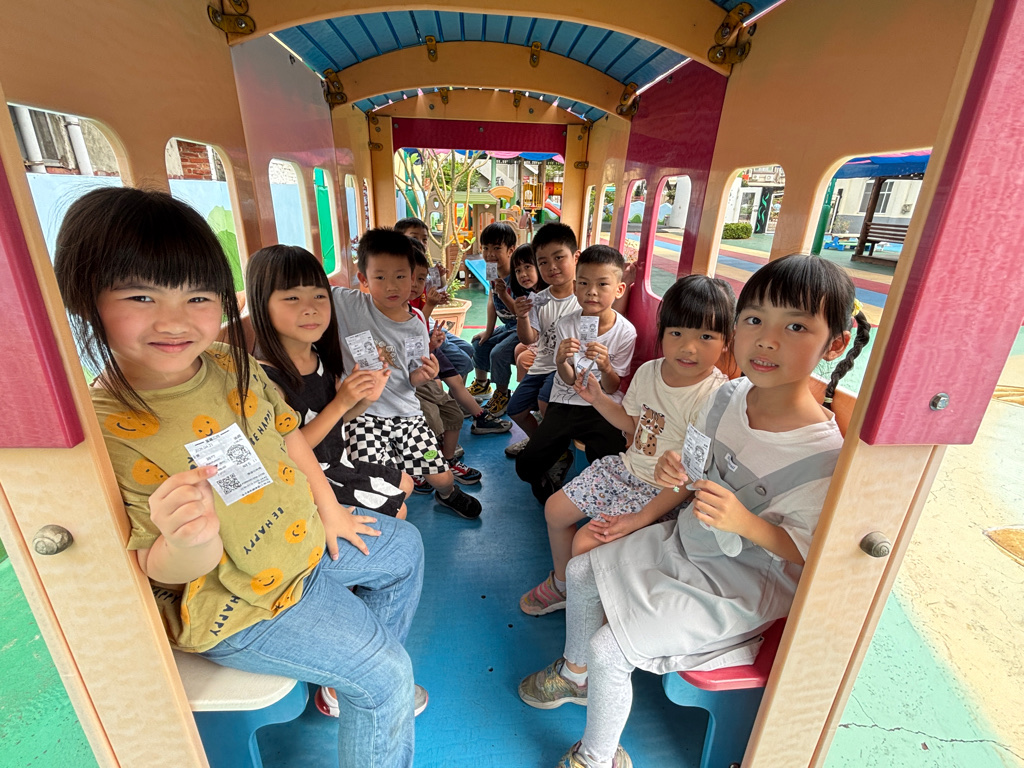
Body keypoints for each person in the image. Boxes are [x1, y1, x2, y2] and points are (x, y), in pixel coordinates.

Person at [54, 187, 426, 768]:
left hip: (301, 546)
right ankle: (367, 679)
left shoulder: (232, 364)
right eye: (141, 295)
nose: (175, 320)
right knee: (388, 675)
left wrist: (330, 511)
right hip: (241, 602)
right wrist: (189, 540)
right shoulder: (109, 430)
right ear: (84, 298)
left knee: (405, 547)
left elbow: (288, 438)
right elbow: (161, 567)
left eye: (198, 296)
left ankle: (344, 680)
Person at [518, 255, 871, 768]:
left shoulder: (822, 456)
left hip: (742, 580)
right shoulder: (729, 397)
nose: (767, 340)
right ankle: (575, 677)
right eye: (755, 320)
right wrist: (664, 482)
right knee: (580, 568)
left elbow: (811, 553)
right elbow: (692, 467)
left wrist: (745, 522)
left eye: (795, 327)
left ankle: (596, 757)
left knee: (609, 649)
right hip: (688, 541)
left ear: (835, 344)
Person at [519, 275, 734, 616]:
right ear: (662, 332)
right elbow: (634, 425)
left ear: (726, 342)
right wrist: (598, 399)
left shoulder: (714, 395)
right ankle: (563, 585)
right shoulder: (649, 372)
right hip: (627, 468)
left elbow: (692, 476)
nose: (688, 347)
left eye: (705, 336)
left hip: (664, 493)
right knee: (555, 510)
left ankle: (605, 613)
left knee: (586, 542)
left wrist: (640, 518)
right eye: (677, 333)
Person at [245, 244, 413, 519]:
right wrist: (341, 403)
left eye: (319, 296)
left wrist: (365, 400)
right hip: (307, 478)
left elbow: (334, 422)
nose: (311, 308)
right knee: (398, 510)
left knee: (406, 483)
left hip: (337, 461)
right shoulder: (267, 380)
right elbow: (286, 452)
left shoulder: (318, 356)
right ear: (261, 305)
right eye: (292, 298)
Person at [333, 228, 482, 520]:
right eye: (380, 277)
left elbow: (412, 375)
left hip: (407, 414)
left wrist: (424, 375)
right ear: (364, 279)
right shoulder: (347, 304)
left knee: (440, 474)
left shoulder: (416, 323)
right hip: (362, 417)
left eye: (400, 276)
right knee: (379, 480)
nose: (392, 285)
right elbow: (308, 293)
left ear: (413, 278)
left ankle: (448, 494)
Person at [515, 244, 637, 504]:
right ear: (575, 286)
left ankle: (594, 490)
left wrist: (606, 367)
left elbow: (612, 387)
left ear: (619, 289)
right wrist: (561, 360)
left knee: (614, 462)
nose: (591, 291)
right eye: (583, 283)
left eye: (602, 284)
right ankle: (550, 476)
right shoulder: (566, 323)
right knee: (526, 467)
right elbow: (569, 379)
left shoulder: (626, 332)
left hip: (603, 405)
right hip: (566, 401)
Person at [505, 224, 582, 455]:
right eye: (543, 262)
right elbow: (528, 338)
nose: (552, 267)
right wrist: (522, 316)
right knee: (515, 409)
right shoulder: (538, 299)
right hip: (542, 365)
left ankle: (555, 453)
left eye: (559, 257)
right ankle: (540, 443)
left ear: (576, 257)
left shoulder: (583, 297)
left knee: (544, 403)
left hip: (566, 367)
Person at [395, 216, 474, 377]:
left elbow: (439, 290)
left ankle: (452, 385)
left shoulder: (425, 270)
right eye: (414, 238)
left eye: (424, 239)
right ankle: (446, 381)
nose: (421, 243)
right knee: (464, 362)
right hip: (422, 333)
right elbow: (413, 326)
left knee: (469, 349)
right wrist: (431, 304)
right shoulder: (400, 284)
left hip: (430, 326)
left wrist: (441, 278)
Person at [467, 222, 519, 403]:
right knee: (479, 343)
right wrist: (488, 331)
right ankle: (482, 385)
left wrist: (504, 294)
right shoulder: (492, 270)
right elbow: (491, 301)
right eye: (485, 248)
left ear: (510, 250)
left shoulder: (518, 276)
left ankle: (502, 394)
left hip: (522, 327)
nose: (489, 254)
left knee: (498, 353)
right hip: (508, 326)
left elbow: (522, 313)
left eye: (497, 248)